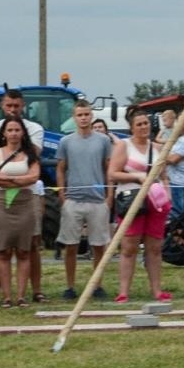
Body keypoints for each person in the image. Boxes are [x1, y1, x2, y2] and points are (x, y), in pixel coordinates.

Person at [0, 87, 48, 303]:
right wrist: (17, 176)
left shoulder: (35, 129)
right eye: (8, 105)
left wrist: (7, 176)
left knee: (31, 245)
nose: (12, 110)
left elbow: (32, 160)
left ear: (23, 106)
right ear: (2, 105)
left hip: (28, 197)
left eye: (16, 106)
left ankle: (35, 291)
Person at [108, 109, 173, 304]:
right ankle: (123, 291)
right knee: (129, 247)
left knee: (154, 247)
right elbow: (112, 174)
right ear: (131, 127)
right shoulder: (123, 146)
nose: (143, 127)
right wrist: (136, 176)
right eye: (139, 124)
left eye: (145, 123)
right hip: (131, 200)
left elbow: (163, 176)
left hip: (156, 201)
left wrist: (168, 196)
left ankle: (156, 290)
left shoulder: (156, 148)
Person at [56, 99, 114, 299]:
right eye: (79, 115)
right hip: (73, 200)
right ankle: (70, 286)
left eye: (86, 114)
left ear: (91, 115)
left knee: (99, 245)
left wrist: (109, 195)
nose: (83, 118)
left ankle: (96, 285)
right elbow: (61, 168)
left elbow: (109, 169)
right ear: (74, 117)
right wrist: (62, 195)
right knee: (71, 245)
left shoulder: (103, 141)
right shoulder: (66, 142)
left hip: (98, 201)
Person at [0, 116, 42, 307]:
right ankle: (7, 297)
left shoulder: (30, 153)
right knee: (3, 251)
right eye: (10, 130)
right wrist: (20, 178)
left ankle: (21, 296)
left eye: (17, 130)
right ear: (4, 133)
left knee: (24, 251)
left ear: (23, 133)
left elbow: (34, 177)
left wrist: (9, 178)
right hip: (3, 205)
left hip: (25, 205)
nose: (13, 133)